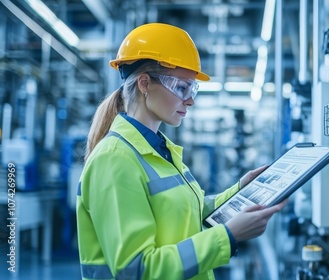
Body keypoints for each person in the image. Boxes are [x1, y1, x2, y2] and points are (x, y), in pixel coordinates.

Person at [76, 23, 288, 280]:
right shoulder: (115, 159)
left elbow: (187, 214)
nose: (190, 100)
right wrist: (228, 236)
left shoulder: (160, 150)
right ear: (144, 84)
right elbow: (137, 270)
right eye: (181, 88)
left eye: (192, 89)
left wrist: (241, 190)